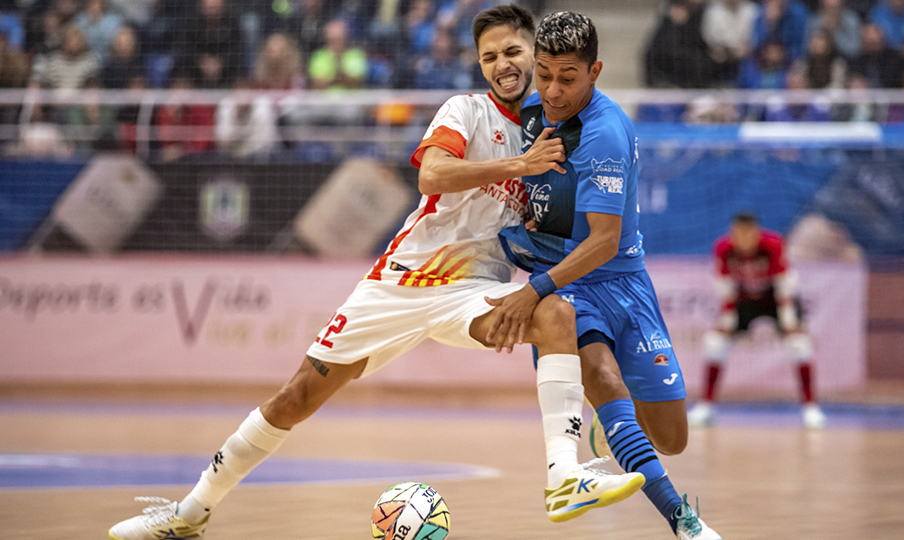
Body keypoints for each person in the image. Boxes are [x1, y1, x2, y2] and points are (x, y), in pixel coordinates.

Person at [107, 6, 645, 539]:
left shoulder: (555, 128)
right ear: (478, 65)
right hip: (402, 283)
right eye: (489, 56)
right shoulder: (465, 110)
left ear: (535, 54)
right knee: (295, 398)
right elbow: (431, 176)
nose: (502, 64)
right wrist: (517, 167)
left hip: (474, 289)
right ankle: (190, 512)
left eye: (512, 51)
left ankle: (563, 477)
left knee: (555, 311)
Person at [495, 11, 721, 540]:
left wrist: (531, 291)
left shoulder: (606, 134)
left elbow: (604, 242)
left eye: (567, 78)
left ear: (594, 71)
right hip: (568, 286)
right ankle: (684, 523)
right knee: (601, 377)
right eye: (544, 73)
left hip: (619, 279)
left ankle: (614, 428)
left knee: (671, 437)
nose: (552, 89)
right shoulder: (525, 111)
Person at [687, 213, 827, 430]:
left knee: (800, 345)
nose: (743, 239)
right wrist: (727, 317)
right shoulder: (724, 248)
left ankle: (811, 408)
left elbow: (783, 282)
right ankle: (706, 407)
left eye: (747, 234)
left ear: (756, 232)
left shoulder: (772, 244)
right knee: (714, 343)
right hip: (744, 301)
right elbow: (725, 285)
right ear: (733, 233)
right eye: (738, 234)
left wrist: (788, 320)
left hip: (775, 299)